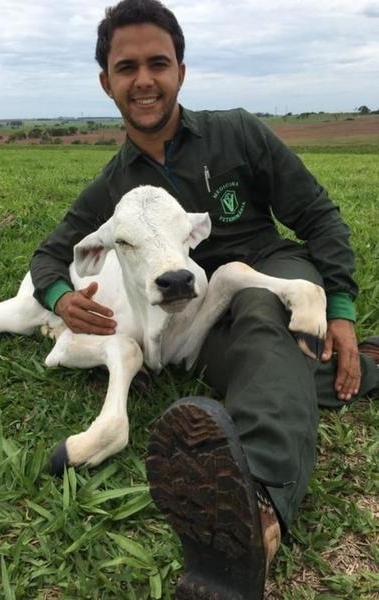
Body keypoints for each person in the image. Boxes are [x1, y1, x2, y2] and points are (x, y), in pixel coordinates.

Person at [30, 0, 379, 597]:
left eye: (158, 63)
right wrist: (62, 298)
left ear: (181, 71)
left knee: (261, 316)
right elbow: (50, 254)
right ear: (106, 82)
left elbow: (319, 217)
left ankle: (258, 509)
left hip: (271, 272)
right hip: (195, 321)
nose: (144, 80)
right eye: (127, 67)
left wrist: (340, 308)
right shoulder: (114, 185)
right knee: (259, 363)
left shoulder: (237, 131)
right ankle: (369, 367)